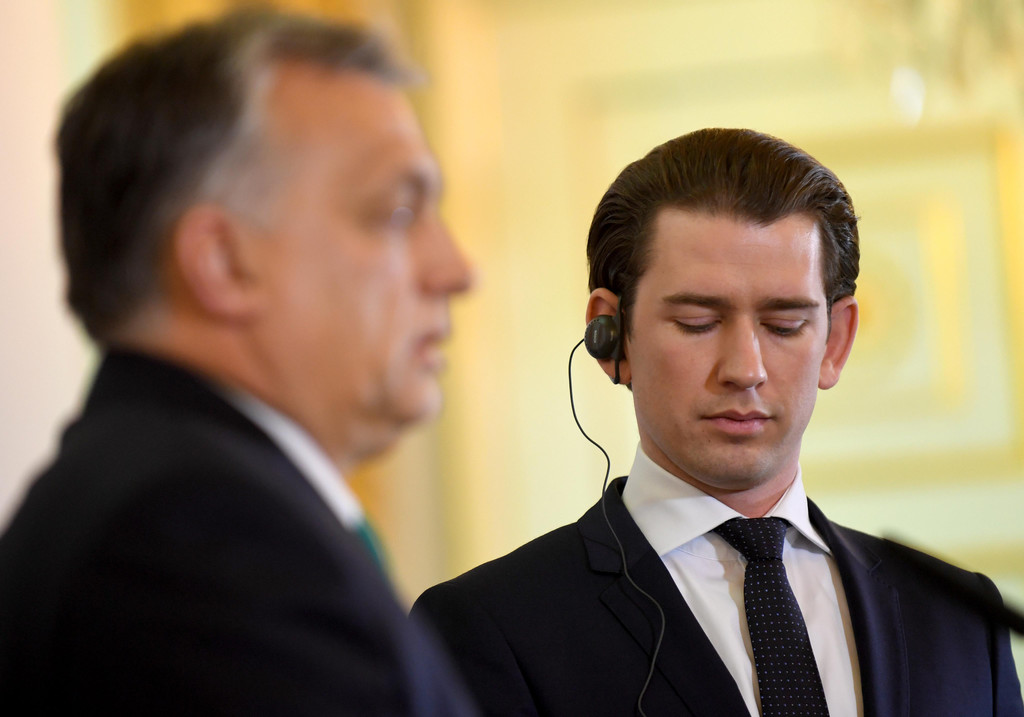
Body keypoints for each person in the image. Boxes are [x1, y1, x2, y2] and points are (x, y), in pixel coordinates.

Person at [413, 128, 1023, 716]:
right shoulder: (488, 627)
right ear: (610, 334)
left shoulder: (962, 619)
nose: (745, 370)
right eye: (698, 323)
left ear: (835, 342)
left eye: (784, 325)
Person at [0, 9, 478, 715]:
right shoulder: (192, 538)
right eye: (397, 213)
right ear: (223, 263)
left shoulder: (171, 500)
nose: (456, 270)